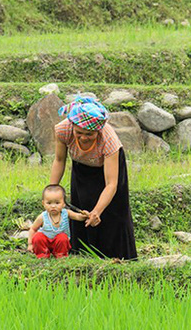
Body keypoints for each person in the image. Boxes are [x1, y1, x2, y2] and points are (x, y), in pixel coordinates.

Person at [50, 95, 137, 260]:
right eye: (79, 132)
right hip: (81, 169)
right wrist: (52, 190)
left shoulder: (109, 140)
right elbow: (59, 160)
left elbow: (111, 184)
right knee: (80, 208)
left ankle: (118, 258)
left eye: (89, 134)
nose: (83, 137)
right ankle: (83, 256)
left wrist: (97, 212)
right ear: (72, 126)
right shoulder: (63, 130)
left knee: (112, 213)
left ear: (98, 130)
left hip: (108, 170)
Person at [28, 184, 89, 259]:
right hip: (45, 242)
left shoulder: (66, 213)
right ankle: (42, 255)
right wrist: (30, 244)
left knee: (63, 237)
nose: (53, 206)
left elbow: (77, 216)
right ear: (43, 203)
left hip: (59, 243)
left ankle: (61, 255)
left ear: (63, 203)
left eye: (57, 203)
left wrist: (83, 216)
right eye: (49, 203)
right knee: (38, 237)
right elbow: (33, 229)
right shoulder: (42, 217)